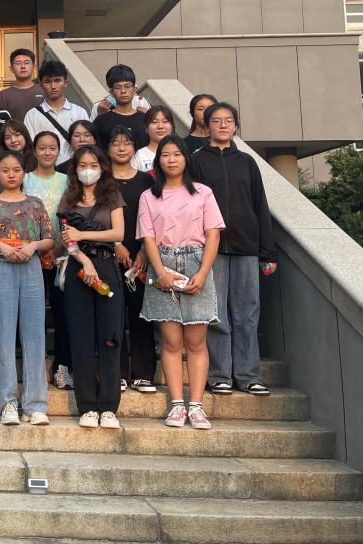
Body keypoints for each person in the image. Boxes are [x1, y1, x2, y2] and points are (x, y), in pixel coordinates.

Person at [190, 102, 276, 397]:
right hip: (211, 247)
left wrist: (268, 252)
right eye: (217, 120)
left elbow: (260, 204)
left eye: (229, 120)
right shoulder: (197, 160)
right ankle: (219, 375)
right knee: (216, 313)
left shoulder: (247, 162)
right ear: (207, 126)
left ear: (236, 126)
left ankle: (249, 375)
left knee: (247, 312)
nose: (223, 125)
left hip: (247, 245)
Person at [139, 136, 225, 429]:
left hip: (196, 261)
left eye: (177, 154)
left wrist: (203, 272)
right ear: (158, 160)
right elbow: (148, 237)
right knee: (171, 340)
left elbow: (213, 234)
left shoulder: (203, 192)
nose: (171, 159)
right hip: (162, 262)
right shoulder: (149, 196)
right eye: (165, 155)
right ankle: (177, 404)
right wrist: (160, 272)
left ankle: (197, 406)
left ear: (186, 159)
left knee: (196, 341)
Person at [0, 150, 55, 426]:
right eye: (5, 170)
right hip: (0, 266)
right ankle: (7, 402)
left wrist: (33, 246)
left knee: (34, 336)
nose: (11, 175)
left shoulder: (35, 203)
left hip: (31, 268)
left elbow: (49, 238)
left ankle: (36, 404)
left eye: (16, 170)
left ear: (23, 173)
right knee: (3, 335)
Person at [58, 145, 126, 429]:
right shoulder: (69, 199)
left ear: (102, 167)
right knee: (82, 338)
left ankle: (108, 407)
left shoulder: (112, 196)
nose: (88, 170)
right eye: (83, 165)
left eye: (94, 165)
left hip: (108, 266)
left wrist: (82, 233)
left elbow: (118, 233)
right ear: (75, 169)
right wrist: (85, 262)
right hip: (79, 268)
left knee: (110, 337)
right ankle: (87, 406)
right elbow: (67, 239)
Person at [105, 126, 156, 393]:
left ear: (134, 148)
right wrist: (115, 245)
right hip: (108, 255)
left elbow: (155, 217)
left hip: (141, 258)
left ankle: (144, 373)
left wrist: (145, 251)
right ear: (107, 149)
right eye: (116, 143)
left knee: (141, 315)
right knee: (113, 315)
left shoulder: (147, 181)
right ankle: (118, 372)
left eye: (127, 143)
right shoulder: (102, 181)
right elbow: (95, 216)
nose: (122, 147)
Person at [24, 131, 72, 390]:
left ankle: (63, 365)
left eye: (52, 148)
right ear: (34, 150)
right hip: (30, 256)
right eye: (42, 148)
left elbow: (71, 217)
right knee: (33, 314)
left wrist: (57, 248)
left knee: (62, 312)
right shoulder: (25, 179)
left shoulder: (66, 180)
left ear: (59, 150)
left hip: (61, 256)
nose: (47, 152)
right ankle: (38, 363)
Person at [24, 60, 90, 164]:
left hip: (74, 168)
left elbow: (87, 144)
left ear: (66, 83)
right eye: (47, 81)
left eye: (57, 80)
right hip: (44, 169)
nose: (53, 86)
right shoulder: (32, 115)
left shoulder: (79, 112)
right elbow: (30, 147)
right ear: (41, 85)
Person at [93, 65, 148, 150]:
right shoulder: (101, 121)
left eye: (127, 86)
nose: (123, 91)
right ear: (111, 92)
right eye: (118, 87)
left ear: (134, 89)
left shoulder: (145, 119)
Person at [0, 48, 44, 122]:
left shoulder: (44, 90)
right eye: (18, 63)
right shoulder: (4, 95)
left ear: (34, 67)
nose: (23, 66)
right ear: (11, 68)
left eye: (27, 63)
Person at [133, 106, 175, 173]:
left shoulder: (180, 153)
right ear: (146, 128)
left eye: (165, 121)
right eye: (154, 122)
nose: (160, 126)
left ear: (172, 126)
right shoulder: (139, 156)